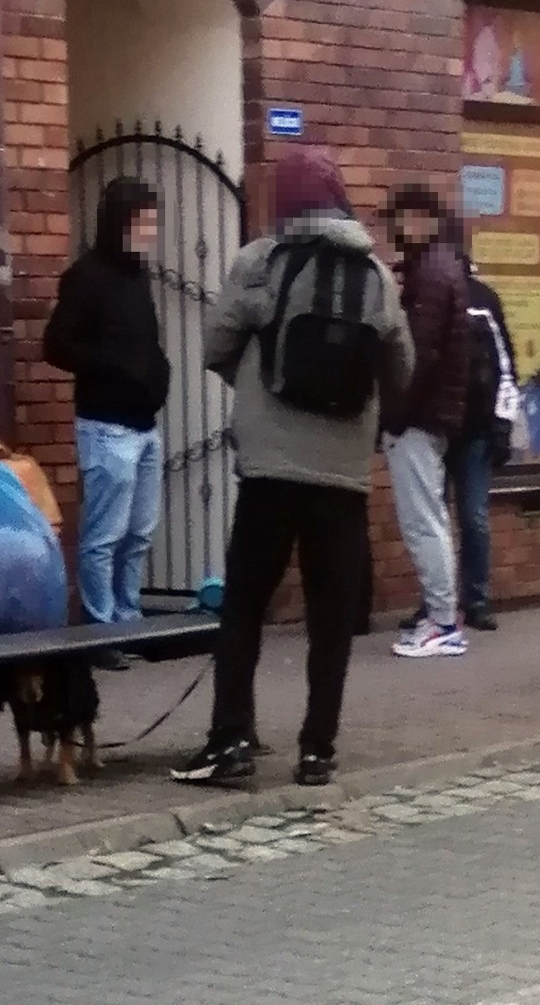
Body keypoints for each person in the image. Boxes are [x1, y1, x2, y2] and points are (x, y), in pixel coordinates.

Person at [171, 147, 414, 787]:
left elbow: (217, 342)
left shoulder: (261, 261)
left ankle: (231, 741)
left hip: (270, 470)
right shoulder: (377, 276)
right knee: (331, 618)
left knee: (245, 605)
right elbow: (402, 370)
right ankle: (318, 752)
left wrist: (254, 384)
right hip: (343, 476)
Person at [43, 178, 170, 670]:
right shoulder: (86, 277)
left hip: (145, 425)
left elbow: (145, 343)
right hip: (106, 427)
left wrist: (158, 371)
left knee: (139, 533)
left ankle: (127, 619)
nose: (149, 231)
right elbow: (57, 345)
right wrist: (114, 364)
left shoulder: (139, 276)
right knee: (104, 536)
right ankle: (101, 633)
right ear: (120, 223)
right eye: (142, 221)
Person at [400, 257, 519, 632]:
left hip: (475, 431)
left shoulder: (483, 300)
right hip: (437, 427)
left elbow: (505, 366)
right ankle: (437, 603)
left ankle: (476, 600)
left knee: (473, 517)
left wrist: (502, 424)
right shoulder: (423, 300)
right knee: (433, 522)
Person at [380, 183, 470, 658]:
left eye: (400, 219)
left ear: (422, 219)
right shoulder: (439, 266)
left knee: (423, 522)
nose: (395, 230)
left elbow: (417, 353)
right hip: (432, 415)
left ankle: (441, 622)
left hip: (419, 417)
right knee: (430, 517)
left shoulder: (431, 274)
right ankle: (443, 617)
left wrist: (393, 413)